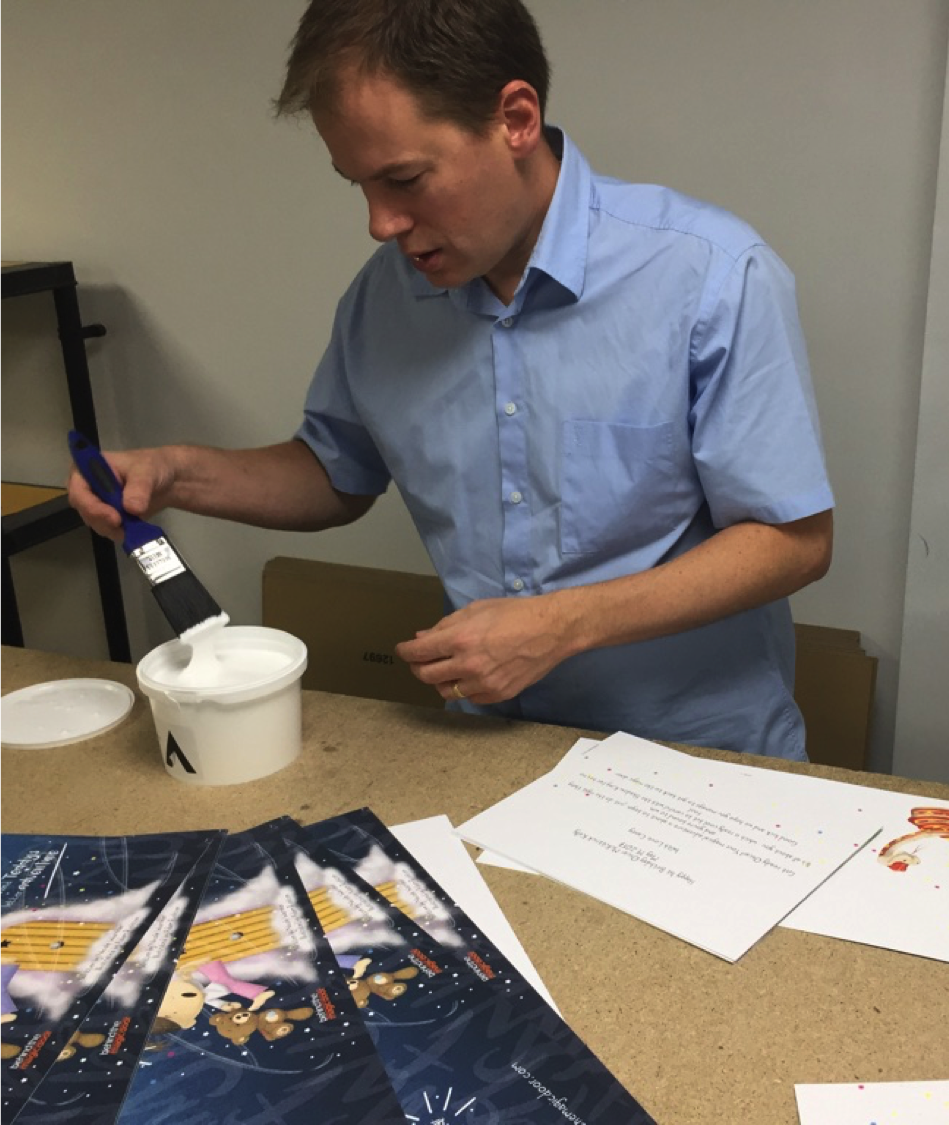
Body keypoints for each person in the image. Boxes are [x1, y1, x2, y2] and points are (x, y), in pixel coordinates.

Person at [69, 0, 834, 761]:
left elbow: (791, 541)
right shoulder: (384, 298)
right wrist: (175, 474)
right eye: (358, 185)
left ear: (515, 118)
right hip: (488, 749)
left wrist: (558, 625)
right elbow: (335, 475)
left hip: (699, 761)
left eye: (404, 178)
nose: (380, 222)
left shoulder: (710, 275)